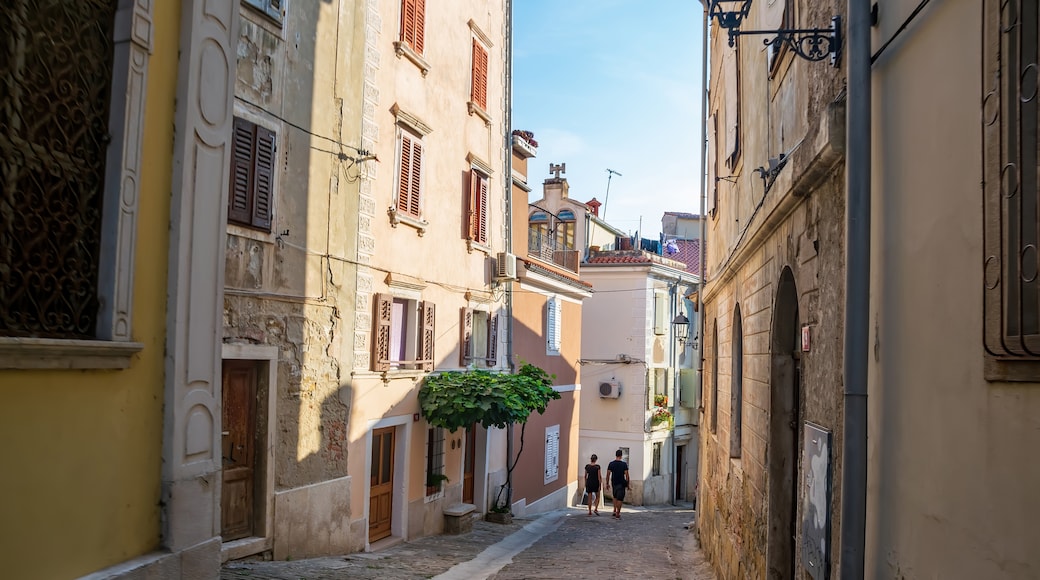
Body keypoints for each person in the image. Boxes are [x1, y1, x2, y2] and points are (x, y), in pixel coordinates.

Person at [606, 449, 630, 519]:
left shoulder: (611, 464)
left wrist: (607, 483)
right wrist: (628, 484)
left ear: (616, 455)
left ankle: (614, 510)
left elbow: (608, 474)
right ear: (621, 456)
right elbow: (627, 475)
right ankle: (618, 512)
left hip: (614, 482)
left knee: (615, 496)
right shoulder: (624, 464)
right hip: (621, 483)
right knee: (620, 498)